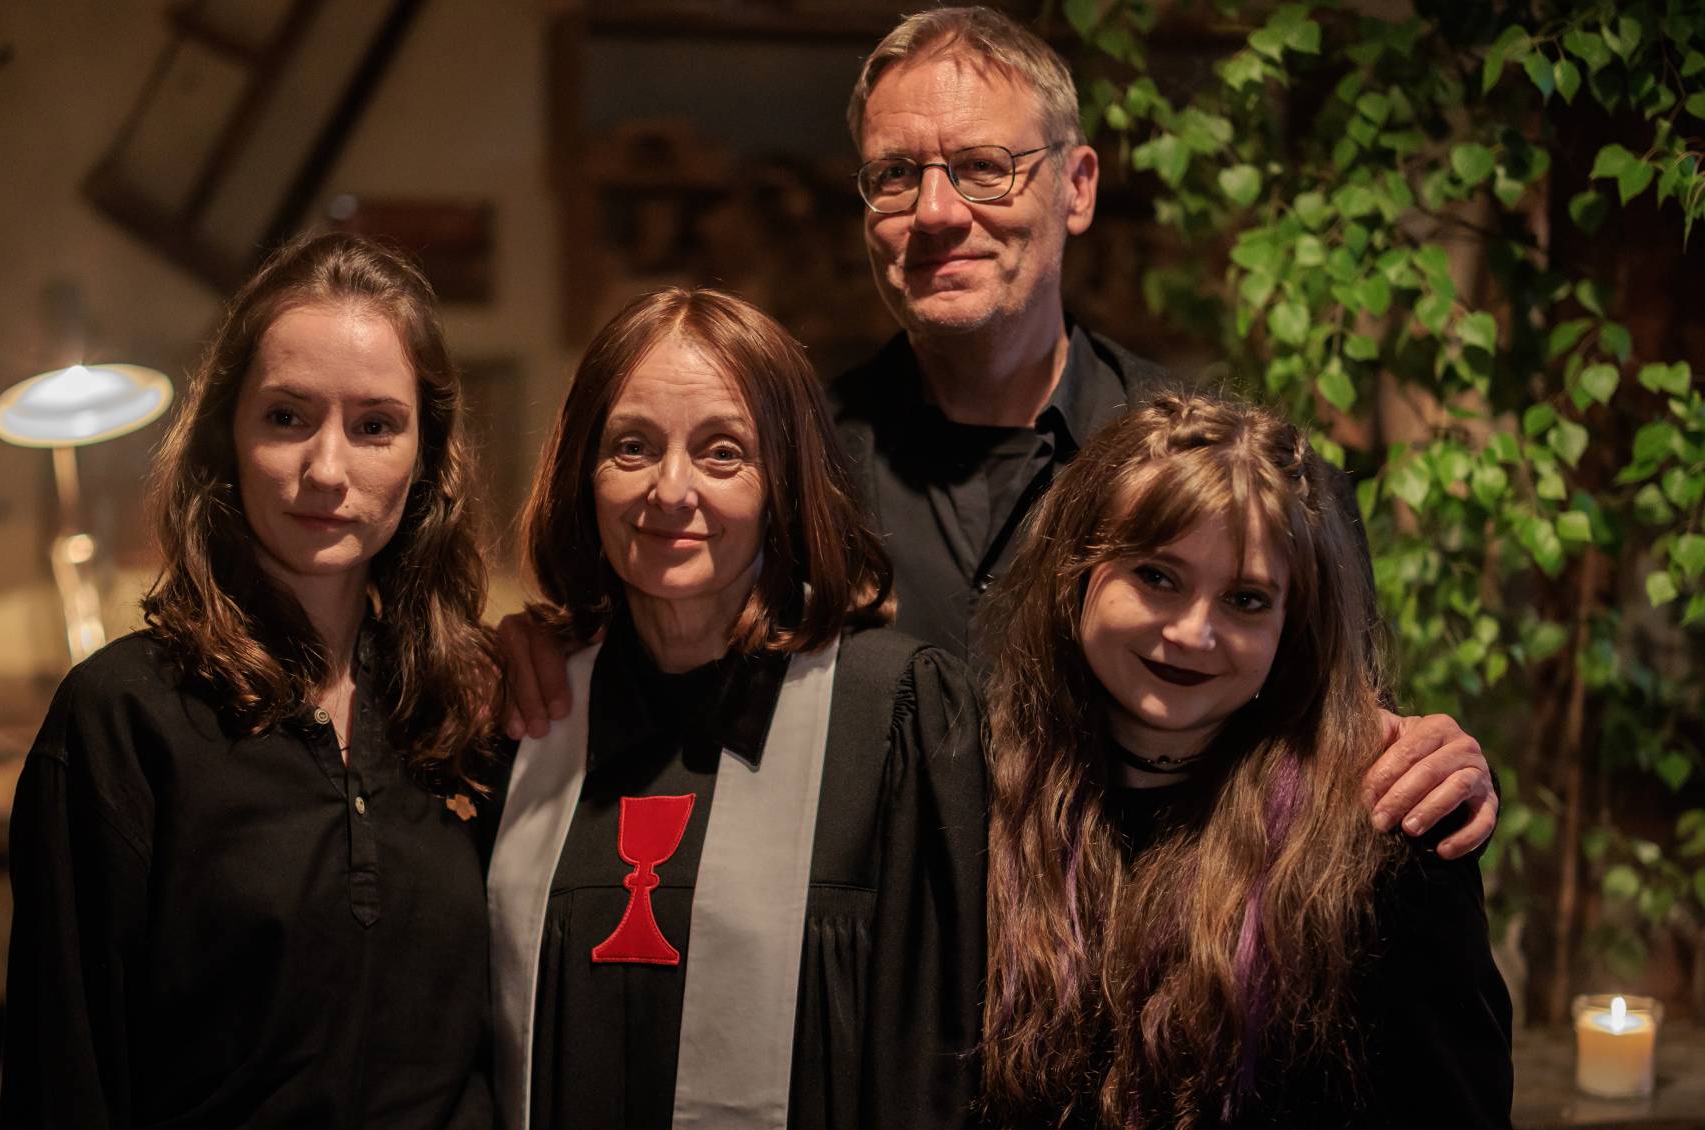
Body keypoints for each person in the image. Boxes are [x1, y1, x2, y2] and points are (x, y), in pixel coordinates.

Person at [499, 4, 1499, 859]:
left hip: (1146, 995)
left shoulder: (1242, 483)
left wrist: (1435, 768)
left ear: (1078, 186)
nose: (936, 212)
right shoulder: (792, 470)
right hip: (859, 1001)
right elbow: (665, 659)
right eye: (897, 175)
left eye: (985, 167)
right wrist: (543, 651)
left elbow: (1346, 754)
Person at [0, 233, 501, 1130]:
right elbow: (65, 1106)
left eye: (376, 425)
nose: (326, 468)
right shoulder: (123, 719)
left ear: (427, 456)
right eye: (286, 416)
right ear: (225, 437)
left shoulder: (465, 705)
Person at [484, 286, 987, 1130]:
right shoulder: (526, 716)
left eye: (723, 451)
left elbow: (932, 1086)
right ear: (583, 474)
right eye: (631, 446)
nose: (670, 490)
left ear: (784, 481)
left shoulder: (892, 718)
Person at [980, 390, 1515, 1130]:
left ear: (1291, 625)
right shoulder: (983, 793)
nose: (1192, 632)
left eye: (1245, 600)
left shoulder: (1384, 828)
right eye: (1157, 576)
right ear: (1077, 573)